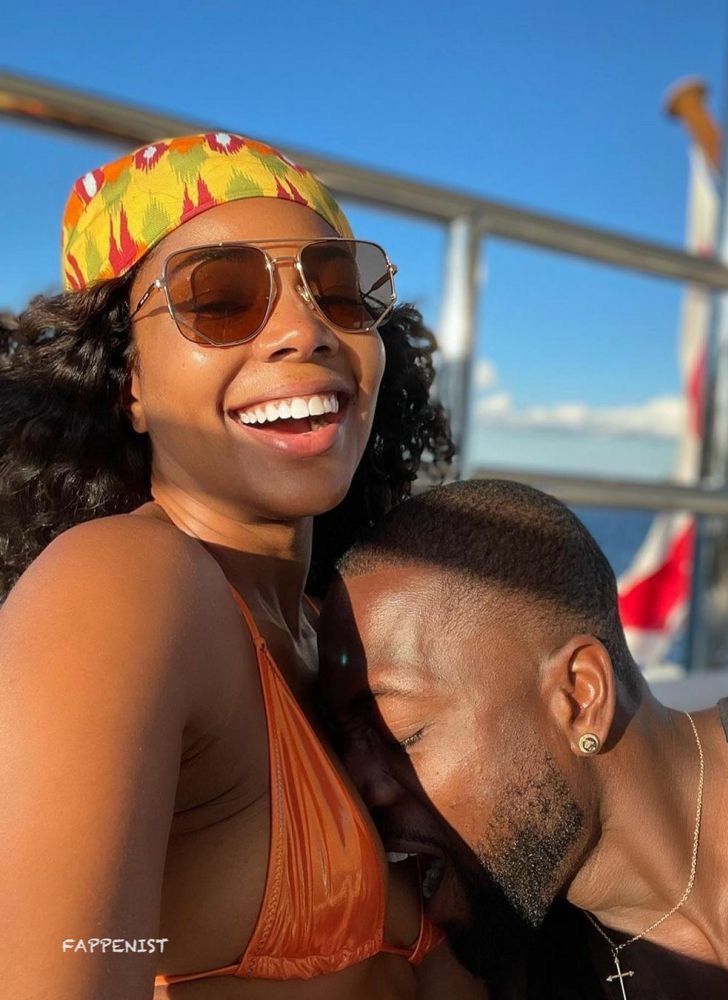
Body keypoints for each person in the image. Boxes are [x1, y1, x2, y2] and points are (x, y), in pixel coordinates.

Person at [0, 134, 487, 1000]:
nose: (306, 331)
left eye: (339, 292)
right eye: (220, 301)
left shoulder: (333, 627)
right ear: (127, 383)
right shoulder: (121, 589)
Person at [319, 478, 728, 999]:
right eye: (343, 749)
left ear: (579, 697)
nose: (360, 790)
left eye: (401, 734)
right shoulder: (508, 959)